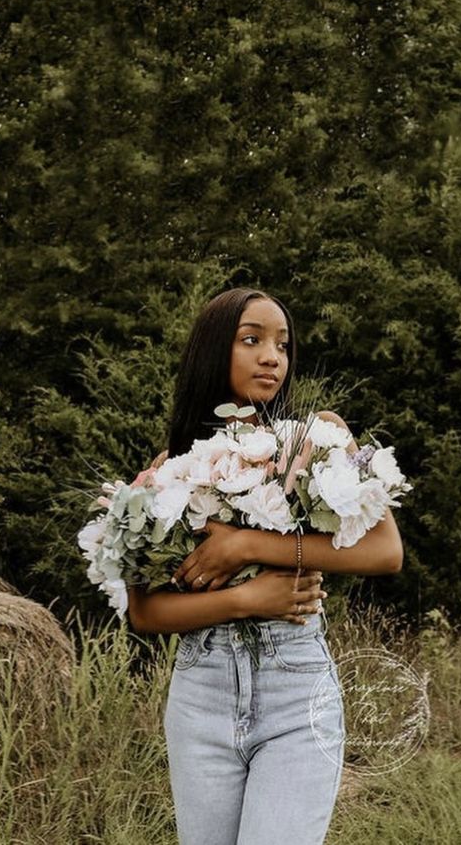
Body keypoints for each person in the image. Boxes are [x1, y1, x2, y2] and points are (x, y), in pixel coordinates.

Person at [127, 287, 403, 845]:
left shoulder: (318, 438)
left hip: (294, 688)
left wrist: (246, 547)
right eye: (250, 340)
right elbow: (145, 612)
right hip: (200, 694)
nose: (272, 356)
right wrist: (244, 599)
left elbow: (384, 551)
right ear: (213, 351)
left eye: (281, 343)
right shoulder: (169, 470)